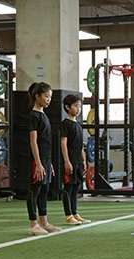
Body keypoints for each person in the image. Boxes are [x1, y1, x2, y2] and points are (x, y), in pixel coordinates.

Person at [27, 82, 61, 236]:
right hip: (37, 160)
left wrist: (49, 163)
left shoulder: (43, 114)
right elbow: (33, 141)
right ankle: (33, 224)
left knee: (44, 190)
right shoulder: (33, 116)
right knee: (35, 190)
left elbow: (46, 142)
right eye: (46, 96)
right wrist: (39, 164)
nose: (49, 100)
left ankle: (44, 222)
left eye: (50, 97)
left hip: (46, 160)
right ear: (37, 96)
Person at [60, 94, 91, 225]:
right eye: (75, 106)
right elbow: (63, 144)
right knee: (68, 187)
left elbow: (80, 145)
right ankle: (68, 215)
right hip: (70, 161)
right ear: (67, 107)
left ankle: (75, 213)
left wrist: (83, 160)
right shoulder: (65, 124)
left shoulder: (78, 124)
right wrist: (67, 161)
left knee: (77, 186)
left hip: (78, 160)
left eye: (80, 106)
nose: (78, 109)